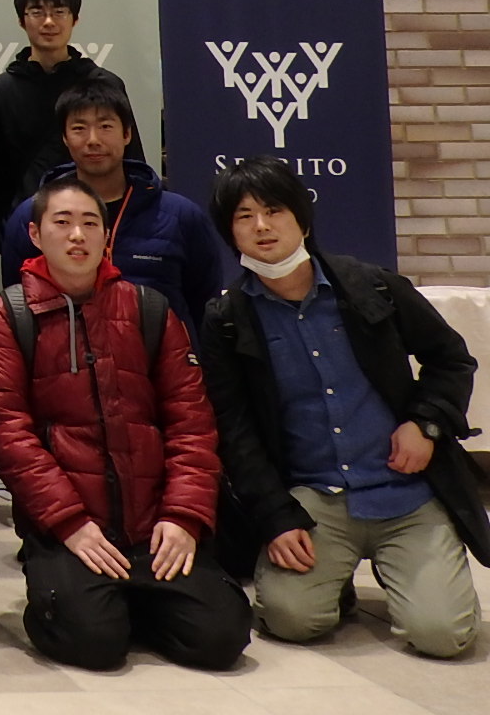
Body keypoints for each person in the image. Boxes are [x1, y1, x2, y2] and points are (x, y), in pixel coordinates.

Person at [200, 158, 485, 659]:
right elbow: (235, 431)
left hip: (405, 493)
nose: (262, 226)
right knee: (291, 619)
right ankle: (336, 577)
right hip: (315, 497)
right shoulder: (226, 320)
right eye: (244, 216)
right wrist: (276, 517)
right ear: (231, 233)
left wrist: (426, 424)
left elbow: (451, 359)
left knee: (442, 636)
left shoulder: (373, 286)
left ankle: (406, 568)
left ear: (303, 220)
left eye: (274, 210)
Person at [0, 177, 249, 671]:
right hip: (71, 527)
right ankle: (101, 603)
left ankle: (129, 599)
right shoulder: (8, 315)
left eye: (90, 223)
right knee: (93, 643)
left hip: (154, 522)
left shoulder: (149, 308)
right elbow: (7, 432)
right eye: (62, 222)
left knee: (222, 638)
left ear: (107, 235)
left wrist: (183, 517)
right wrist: (70, 523)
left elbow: (192, 422)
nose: (77, 235)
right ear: (36, 234)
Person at [0, 85, 229, 334]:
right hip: (63, 353)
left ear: (127, 134)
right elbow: (18, 301)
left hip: (161, 355)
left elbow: (203, 304)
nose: (93, 140)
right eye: (79, 128)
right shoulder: (32, 215)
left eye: (105, 126)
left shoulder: (180, 215)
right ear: (64, 137)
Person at [0, 0, 137, 203]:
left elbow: (131, 157)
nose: (49, 22)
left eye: (59, 12)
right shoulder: (1, 90)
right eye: (37, 12)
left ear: (75, 19)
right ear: (21, 21)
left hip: (99, 209)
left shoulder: (104, 83)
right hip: (26, 213)